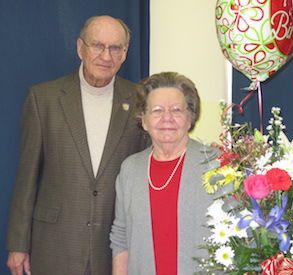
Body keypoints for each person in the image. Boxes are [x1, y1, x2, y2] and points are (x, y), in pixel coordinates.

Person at [6, 15, 148, 275]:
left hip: (115, 248)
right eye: (97, 45)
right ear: (80, 47)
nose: (106, 56)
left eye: (115, 48)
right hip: (55, 245)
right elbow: (26, 177)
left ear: (125, 54)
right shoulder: (43, 99)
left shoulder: (140, 101)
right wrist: (17, 244)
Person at [110, 72, 218, 274]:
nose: (166, 118)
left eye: (176, 110)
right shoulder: (130, 169)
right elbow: (120, 238)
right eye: (157, 110)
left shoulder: (216, 164)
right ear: (143, 120)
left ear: (190, 118)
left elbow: (239, 238)